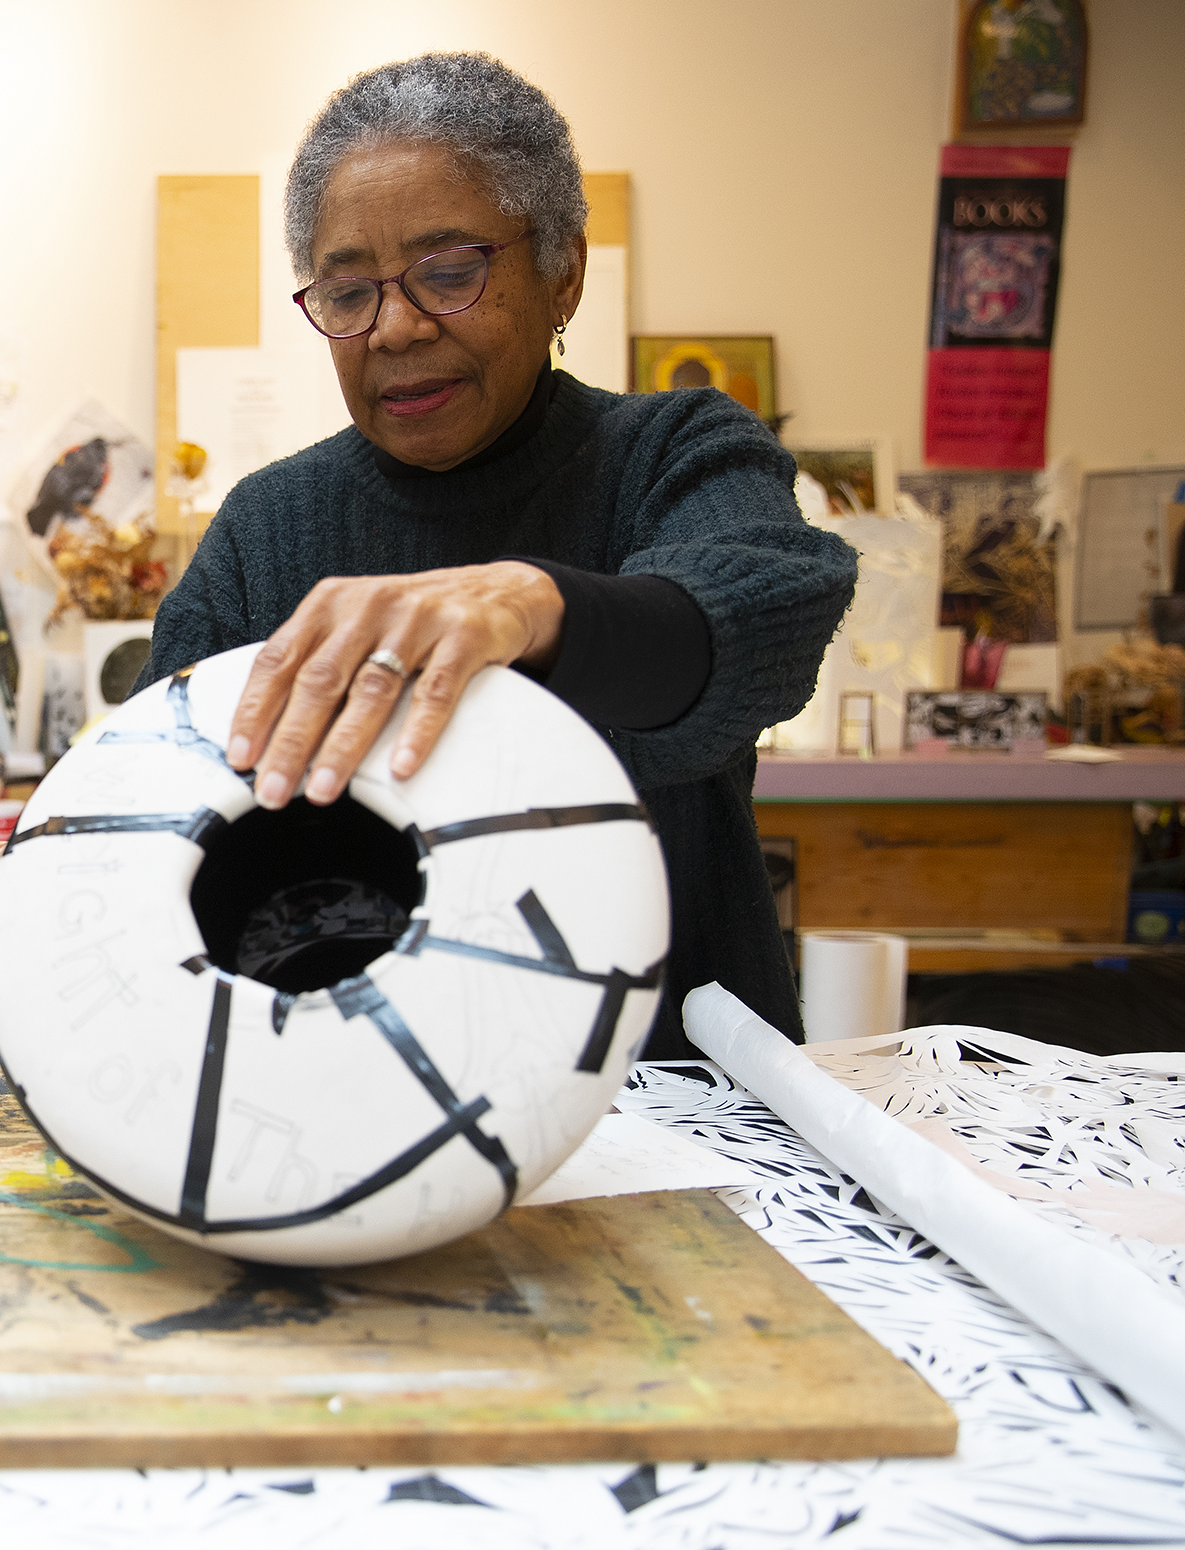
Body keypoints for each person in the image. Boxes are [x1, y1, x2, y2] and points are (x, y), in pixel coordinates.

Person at [141, 52, 855, 1058]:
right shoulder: (267, 526)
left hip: (659, 1089)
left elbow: (759, 618)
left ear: (562, 271)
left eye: (448, 273)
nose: (394, 328)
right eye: (348, 293)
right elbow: (152, 801)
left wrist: (533, 607)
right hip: (349, 1091)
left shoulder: (676, 451)